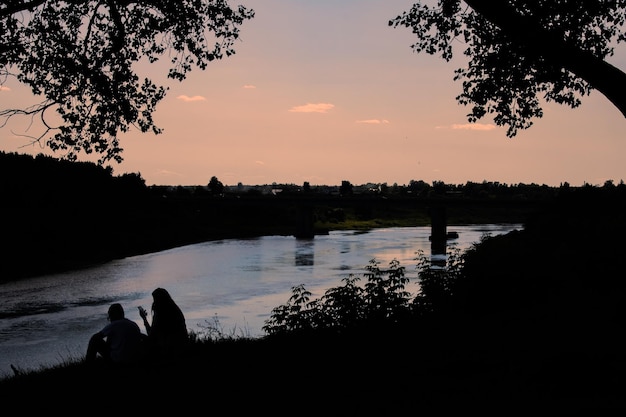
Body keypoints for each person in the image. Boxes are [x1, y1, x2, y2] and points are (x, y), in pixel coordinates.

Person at [138, 288, 188, 358]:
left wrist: (144, 319)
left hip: (168, 350)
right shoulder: (176, 310)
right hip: (182, 347)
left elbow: (151, 336)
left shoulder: (160, 312)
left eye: (154, 300)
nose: (153, 303)